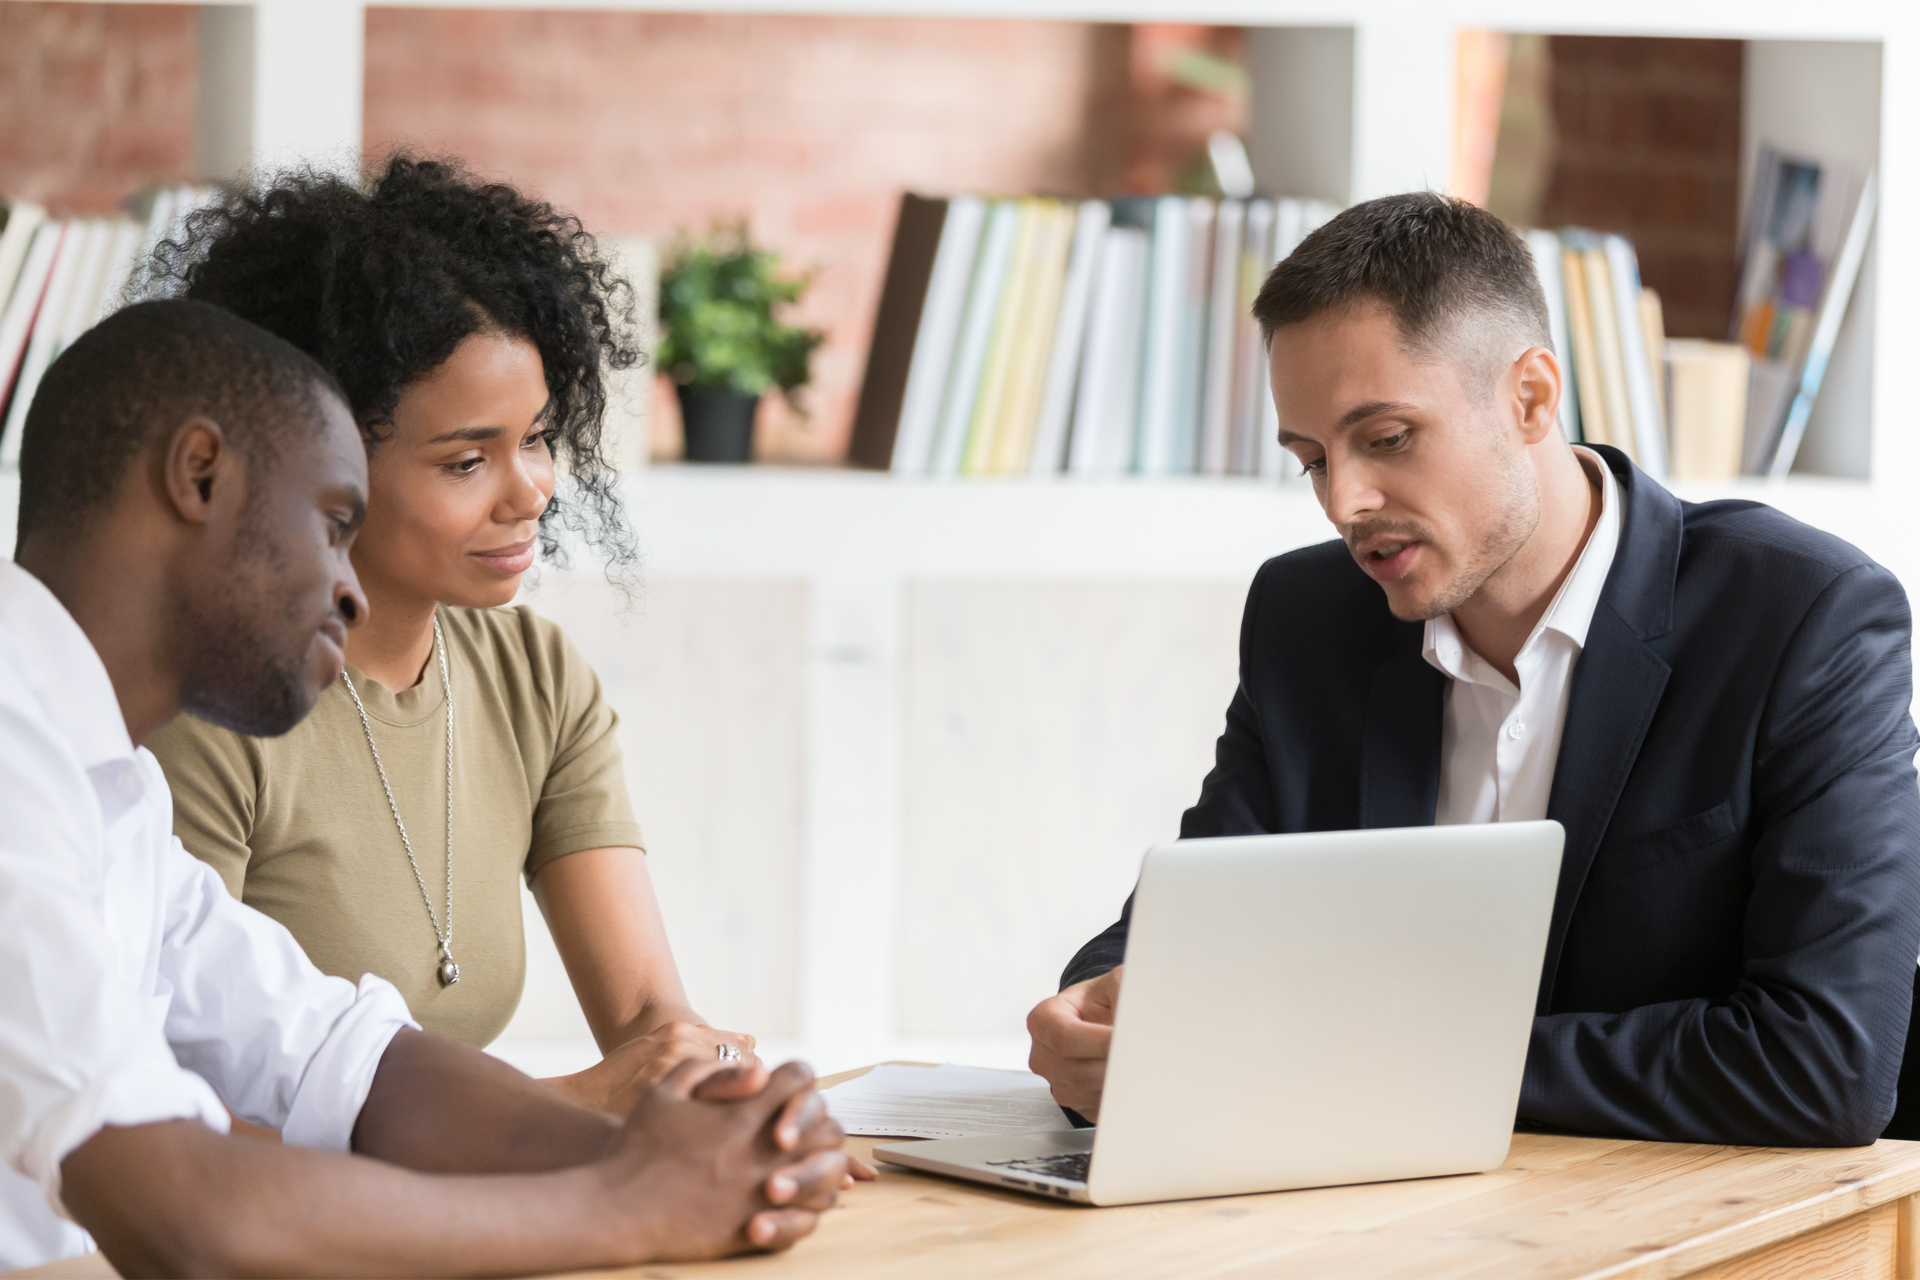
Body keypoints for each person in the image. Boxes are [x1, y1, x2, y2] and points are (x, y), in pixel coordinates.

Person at [1027, 192, 1920, 1148]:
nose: (1345, 502)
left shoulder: (1800, 618)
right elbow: (1185, 929)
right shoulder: (1310, 620)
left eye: (1387, 439)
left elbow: (1824, 1063)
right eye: (1312, 459)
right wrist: (1093, 1016)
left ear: (1531, 398)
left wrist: (1356, 1058)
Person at [0, 297, 846, 1274]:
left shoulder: (111, 788)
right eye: (331, 524)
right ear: (199, 475)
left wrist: (717, 1156)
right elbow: (195, 1219)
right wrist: (628, 1200)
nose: (350, 588)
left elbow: (350, 1060)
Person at [141, 157, 745, 1116]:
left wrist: (722, 1092)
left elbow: (647, 1020)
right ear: (316, 459)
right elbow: (163, 1136)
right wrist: (571, 1108)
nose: (533, 490)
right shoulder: (208, 716)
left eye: (538, 438)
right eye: (468, 459)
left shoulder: (536, 680)